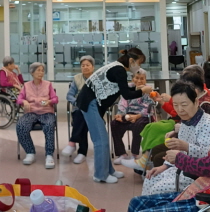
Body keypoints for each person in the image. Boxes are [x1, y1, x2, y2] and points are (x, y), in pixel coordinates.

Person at [122, 80, 210, 202]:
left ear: (195, 102)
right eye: (176, 105)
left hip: (196, 175)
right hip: (181, 168)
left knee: (157, 190)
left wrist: (187, 147)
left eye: (184, 105)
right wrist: (164, 166)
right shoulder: (186, 122)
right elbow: (178, 154)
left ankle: (154, 211)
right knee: (150, 178)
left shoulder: (208, 124)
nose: (180, 110)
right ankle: (148, 211)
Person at [76, 48, 152, 183]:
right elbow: (126, 95)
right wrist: (143, 91)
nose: (139, 67)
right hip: (89, 103)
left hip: (93, 103)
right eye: (139, 63)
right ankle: (100, 175)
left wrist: (137, 89)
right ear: (131, 61)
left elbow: (122, 89)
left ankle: (109, 170)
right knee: (101, 140)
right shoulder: (119, 70)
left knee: (103, 139)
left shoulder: (117, 68)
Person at [15, 63, 59, 168]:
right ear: (32, 72)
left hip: (46, 111)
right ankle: (30, 152)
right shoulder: (26, 86)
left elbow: (55, 99)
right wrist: (24, 101)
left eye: (42, 70)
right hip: (31, 112)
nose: (41, 73)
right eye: (38, 70)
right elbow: (19, 99)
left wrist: (49, 101)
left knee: (49, 126)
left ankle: (49, 155)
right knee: (21, 126)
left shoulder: (48, 84)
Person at [111, 69, 156, 163]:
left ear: (145, 80)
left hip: (143, 115)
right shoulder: (128, 88)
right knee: (114, 124)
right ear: (132, 79)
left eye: (142, 78)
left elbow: (148, 106)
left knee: (137, 125)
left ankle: (134, 154)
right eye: (137, 78)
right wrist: (120, 114)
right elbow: (123, 103)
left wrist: (137, 116)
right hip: (128, 114)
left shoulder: (148, 90)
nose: (139, 81)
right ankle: (122, 154)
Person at [61, 55, 95, 164]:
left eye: (87, 65)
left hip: (94, 109)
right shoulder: (76, 78)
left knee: (81, 118)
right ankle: (81, 153)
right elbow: (69, 95)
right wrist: (78, 102)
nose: (85, 67)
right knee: (81, 115)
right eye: (83, 65)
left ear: (93, 67)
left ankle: (72, 143)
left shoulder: (98, 79)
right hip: (79, 108)